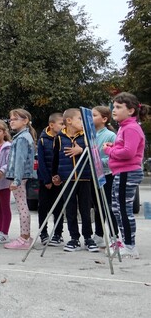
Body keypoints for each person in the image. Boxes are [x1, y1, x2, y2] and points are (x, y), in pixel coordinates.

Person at [103, 92, 148, 259]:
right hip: (121, 172)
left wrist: (109, 150)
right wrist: (114, 145)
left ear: (131, 111)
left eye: (118, 107)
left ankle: (129, 245)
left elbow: (128, 153)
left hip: (127, 172)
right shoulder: (124, 127)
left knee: (123, 209)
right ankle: (123, 240)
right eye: (113, 106)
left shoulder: (131, 128)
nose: (114, 110)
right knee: (117, 208)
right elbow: (124, 147)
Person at [52, 108, 97, 253]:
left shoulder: (86, 136)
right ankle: (74, 238)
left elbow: (94, 153)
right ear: (69, 121)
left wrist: (82, 150)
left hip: (85, 178)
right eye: (80, 119)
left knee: (85, 209)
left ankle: (88, 238)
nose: (83, 123)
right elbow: (55, 158)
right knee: (70, 209)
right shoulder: (59, 138)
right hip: (67, 179)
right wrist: (55, 174)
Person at [4, 109, 36, 250]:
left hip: (20, 177)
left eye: (15, 119)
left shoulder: (22, 138)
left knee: (22, 206)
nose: (12, 121)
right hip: (21, 176)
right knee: (23, 206)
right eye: (10, 119)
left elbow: (20, 160)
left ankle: (24, 237)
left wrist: (16, 179)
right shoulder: (22, 136)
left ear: (25, 121)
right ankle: (26, 236)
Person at [36, 113, 65, 246]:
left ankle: (58, 233)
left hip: (59, 180)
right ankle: (43, 233)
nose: (63, 126)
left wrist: (59, 177)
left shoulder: (64, 138)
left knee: (59, 207)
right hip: (45, 181)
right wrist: (47, 180)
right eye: (61, 123)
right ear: (51, 125)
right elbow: (41, 162)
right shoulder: (42, 140)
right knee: (43, 207)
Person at [91, 106, 117, 248]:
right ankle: (98, 235)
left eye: (94, 115)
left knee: (109, 206)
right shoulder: (89, 134)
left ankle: (114, 236)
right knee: (98, 206)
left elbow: (114, 158)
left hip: (107, 175)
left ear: (104, 119)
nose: (91, 118)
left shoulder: (111, 136)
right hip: (93, 176)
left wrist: (98, 162)